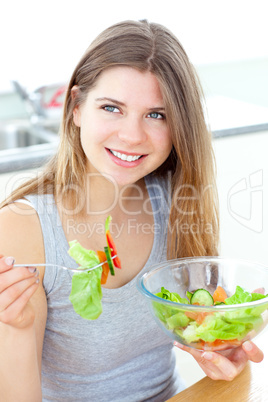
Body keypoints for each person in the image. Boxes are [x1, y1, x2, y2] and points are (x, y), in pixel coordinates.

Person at [0, 19, 264, 402]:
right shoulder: (21, 228)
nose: (132, 136)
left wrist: (223, 350)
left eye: (156, 115)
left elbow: (203, 336)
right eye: (112, 108)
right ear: (76, 108)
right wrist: (16, 328)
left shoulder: (177, 199)